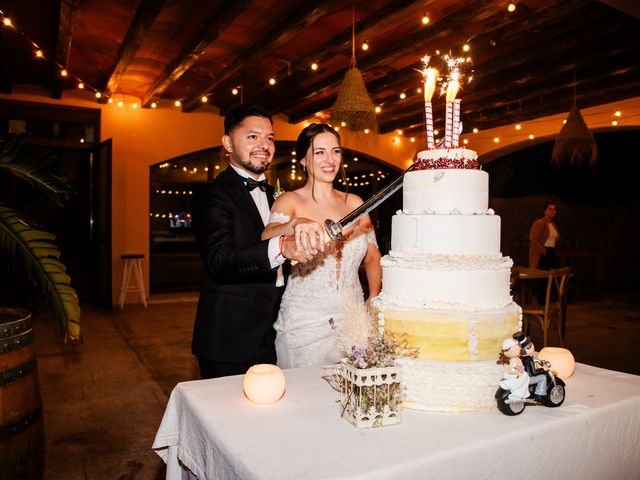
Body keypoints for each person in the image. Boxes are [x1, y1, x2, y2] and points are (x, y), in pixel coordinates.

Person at [191, 105, 324, 379]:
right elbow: (220, 260)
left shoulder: (277, 196)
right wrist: (282, 247)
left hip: (272, 332)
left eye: (270, 138)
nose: (264, 145)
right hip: (228, 338)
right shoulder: (213, 194)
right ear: (228, 143)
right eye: (253, 137)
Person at [262, 123, 382, 369]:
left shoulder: (356, 203)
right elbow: (266, 237)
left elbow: (372, 256)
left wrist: (374, 296)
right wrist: (294, 224)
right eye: (320, 152)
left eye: (335, 151)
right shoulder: (290, 201)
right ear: (304, 160)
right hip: (305, 323)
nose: (330, 160)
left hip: (354, 318)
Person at [529, 202, 560, 269]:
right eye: (549, 209)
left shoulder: (553, 225)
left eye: (554, 209)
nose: (552, 211)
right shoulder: (539, 223)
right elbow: (534, 239)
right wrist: (543, 250)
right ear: (544, 211)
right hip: (543, 252)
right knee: (544, 274)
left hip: (552, 251)